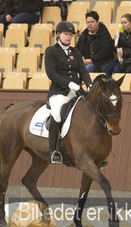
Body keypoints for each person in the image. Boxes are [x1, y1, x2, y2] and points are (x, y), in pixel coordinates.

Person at [45, 21, 92, 164]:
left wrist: (90, 84)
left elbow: (83, 71)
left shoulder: (75, 52)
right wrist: (68, 83)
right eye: (66, 34)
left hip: (76, 91)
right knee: (57, 114)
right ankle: (54, 151)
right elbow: (51, 73)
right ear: (58, 34)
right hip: (59, 92)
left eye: (71, 35)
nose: (68, 37)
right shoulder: (51, 51)